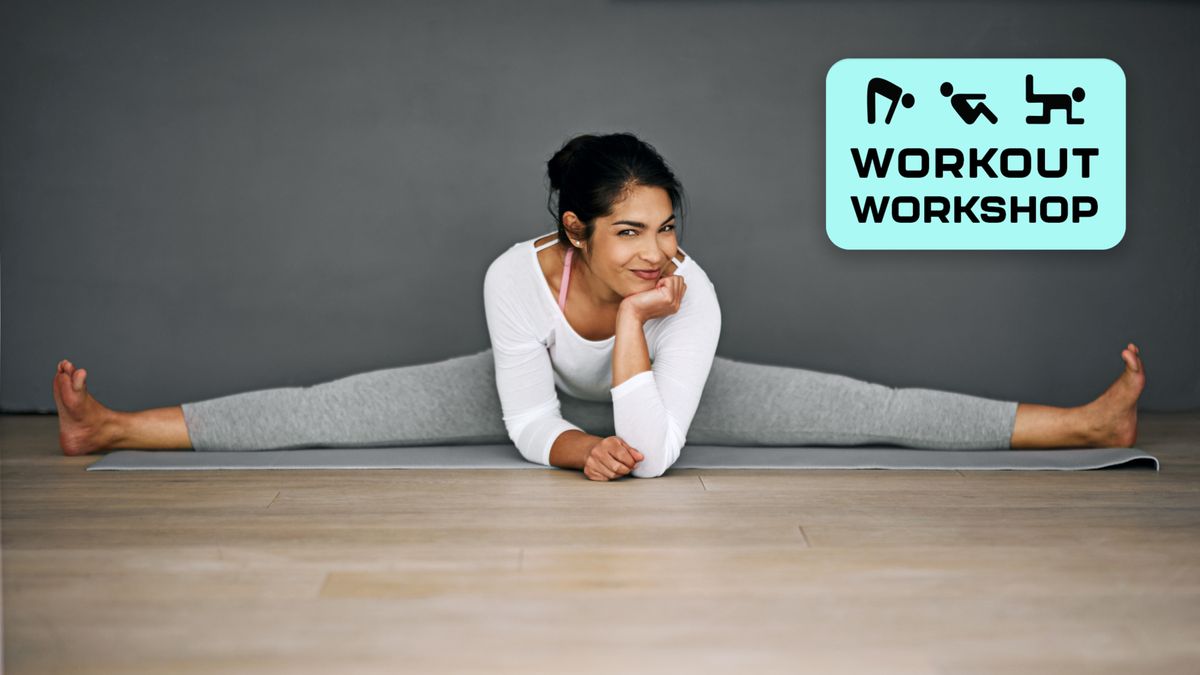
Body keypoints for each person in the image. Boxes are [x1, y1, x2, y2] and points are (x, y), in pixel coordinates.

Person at [52, 132, 1146, 481]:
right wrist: (576, 451)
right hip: (540, 398)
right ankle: (112, 428)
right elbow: (530, 420)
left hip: (669, 398)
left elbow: (659, 450)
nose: (658, 251)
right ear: (574, 231)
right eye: (630, 232)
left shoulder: (690, 292)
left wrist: (633, 324)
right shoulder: (511, 276)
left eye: (666, 228)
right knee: (329, 405)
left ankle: (1087, 424)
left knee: (870, 402)